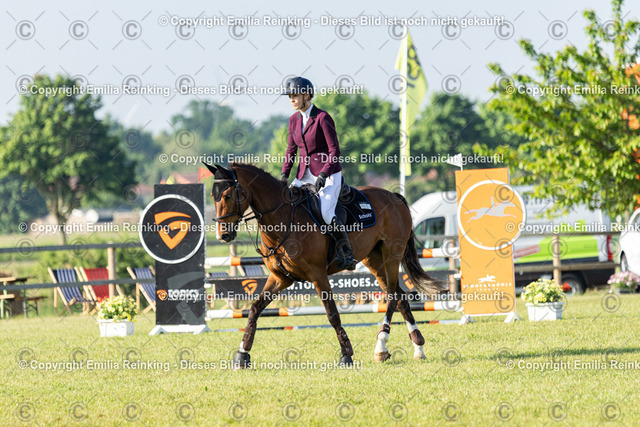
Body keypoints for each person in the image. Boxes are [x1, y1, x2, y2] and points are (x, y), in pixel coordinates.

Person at [280, 76, 357, 271]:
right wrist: (284, 175)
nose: (291, 99)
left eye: (295, 95)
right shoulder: (293, 120)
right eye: (289, 96)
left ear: (306, 95)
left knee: (326, 212)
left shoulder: (323, 117)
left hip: (328, 173)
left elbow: (334, 151)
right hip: (304, 174)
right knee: (285, 203)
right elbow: (291, 150)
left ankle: (346, 253)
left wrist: (323, 174)